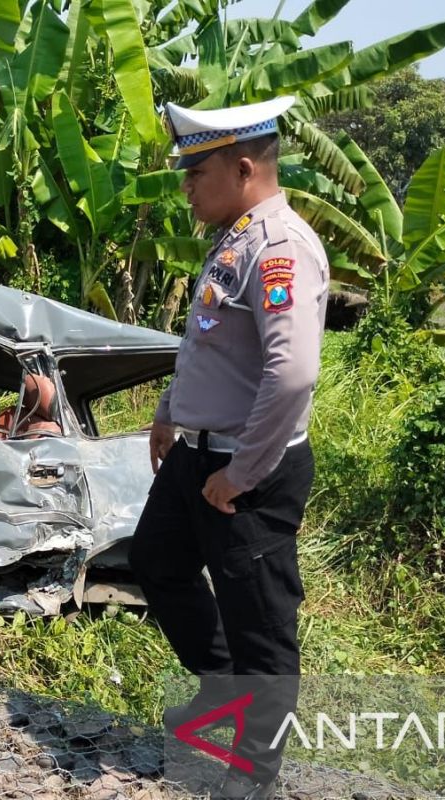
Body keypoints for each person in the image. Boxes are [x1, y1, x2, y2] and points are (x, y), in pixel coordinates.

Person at [127, 96, 329, 799]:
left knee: (261, 625)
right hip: (197, 453)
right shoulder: (235, 236)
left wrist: (243, 472)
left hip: (249, 466)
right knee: (156, 561)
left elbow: (292, 371)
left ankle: (254, 773)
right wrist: (167, 412)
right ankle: (219, 687)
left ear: (244, 167)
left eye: (195, 172)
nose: (185, 187)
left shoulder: (279, 248)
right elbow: (210, 345)